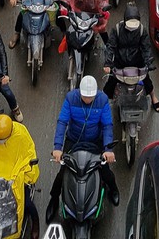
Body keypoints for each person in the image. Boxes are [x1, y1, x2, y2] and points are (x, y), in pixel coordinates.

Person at [46, 75, 119, 223]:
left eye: (90, 97)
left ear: (95, 94)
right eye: (84, 97)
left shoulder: (102, 99)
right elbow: (62, 122)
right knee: (62, 174)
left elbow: (107, 126)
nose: (87, 100)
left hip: (95, 141)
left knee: (106, 171)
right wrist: (58, 147)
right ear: (79, 93)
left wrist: (108, 149)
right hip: (73, 140)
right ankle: (53, 199)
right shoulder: (70, 98)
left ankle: (114, 189)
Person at [103, 3, 159, 111]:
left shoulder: (142, 31)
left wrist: (149, 62)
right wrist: (108, 63)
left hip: (137, 61)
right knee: (110, 83)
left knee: (147, 81)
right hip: (120, 62)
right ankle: (103, 102)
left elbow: (146, 48)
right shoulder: (117, 30)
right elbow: (110, 47)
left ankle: (153, 97)